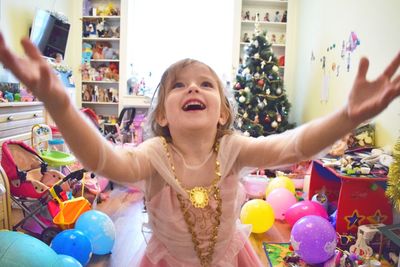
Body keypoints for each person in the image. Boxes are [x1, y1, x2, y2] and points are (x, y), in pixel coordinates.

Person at [0, 32, 399, 266]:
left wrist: (346, 116)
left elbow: (292, 145)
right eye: (179, 85)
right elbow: (102, 159)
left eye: (206, 83)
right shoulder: (153, 154)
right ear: (164, 116)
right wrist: (60, 105)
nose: (193, 87)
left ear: (223, 113)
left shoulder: (235, 148)